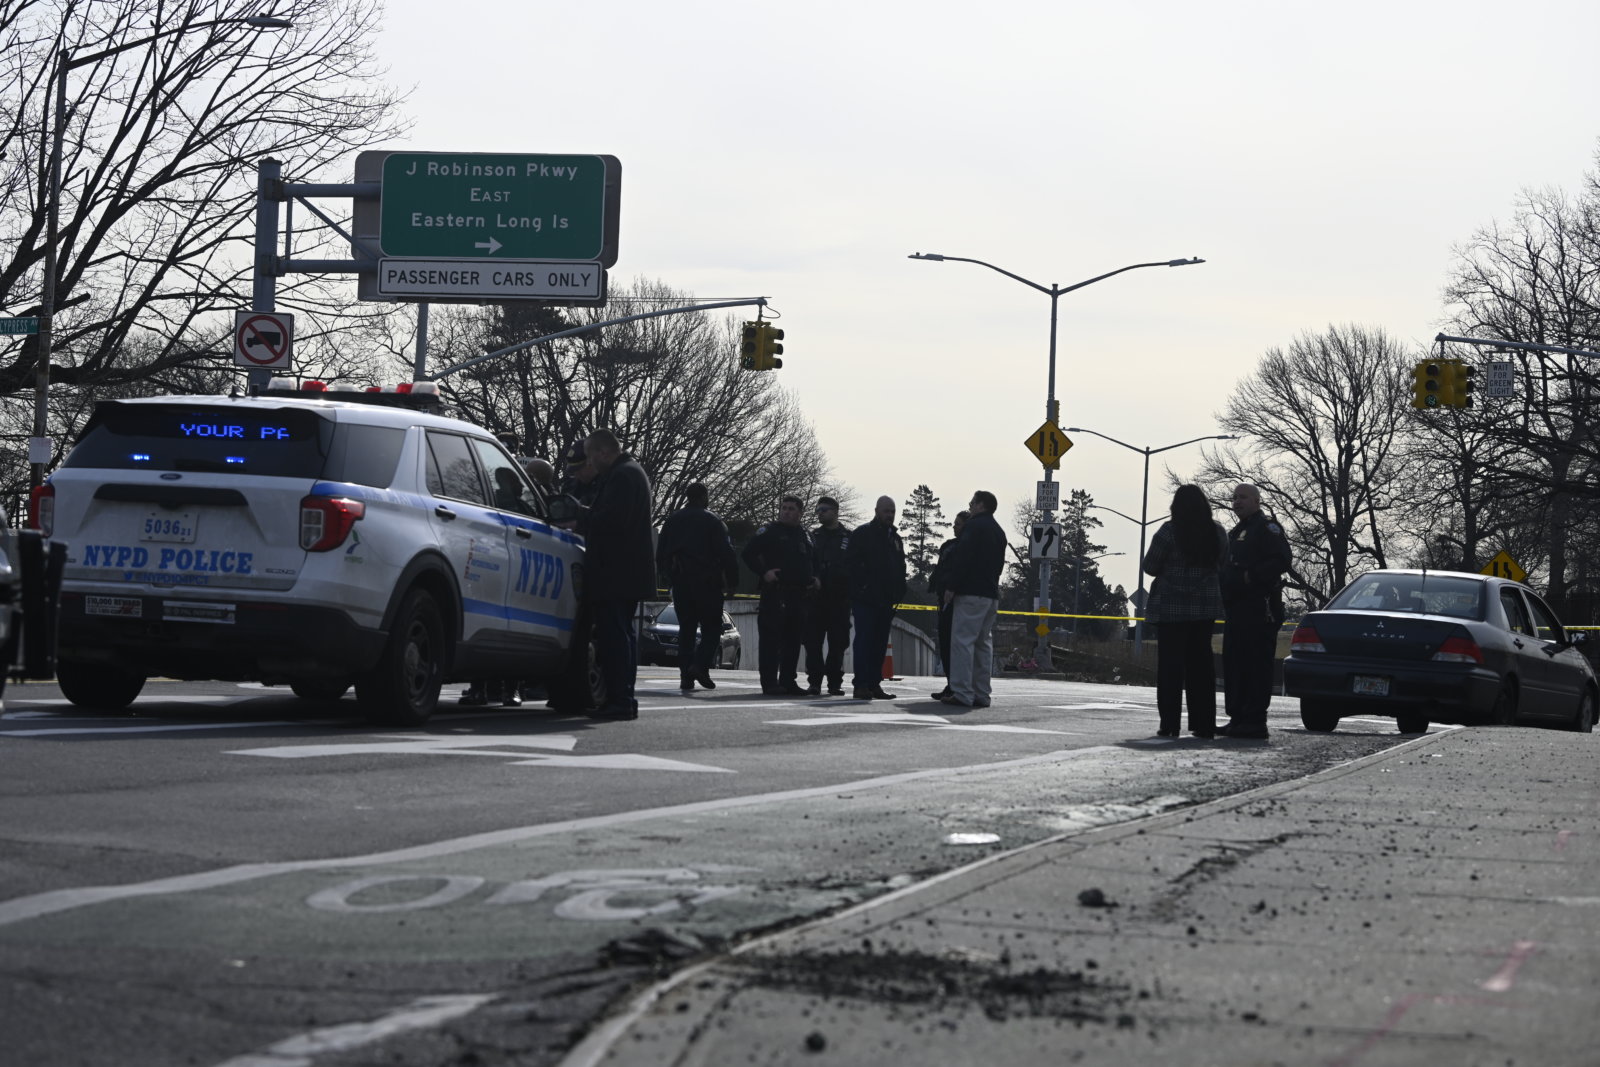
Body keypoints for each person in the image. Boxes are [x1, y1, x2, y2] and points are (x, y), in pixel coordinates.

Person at [575, 429, 656, 721]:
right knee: (621, 634)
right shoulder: (631, 472)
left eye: (590, 456)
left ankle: (620, 699)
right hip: (628, 571)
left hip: (615, 571)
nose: (590, 463)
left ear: (603, 453)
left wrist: (580, 516)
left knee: (614, 636)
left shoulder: (622, 477)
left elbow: (611, 521)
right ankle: (623, 698)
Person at [1142, 485, 1229, 739]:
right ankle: (1204, 724)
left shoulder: (1168, 532)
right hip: (1205, 610)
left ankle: (1169, 724)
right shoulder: (1217, 533)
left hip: (1171, 610)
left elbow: (1150, 566)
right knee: (1201, 667)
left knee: (1171, 668)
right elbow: (1223, 564)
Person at [1219, 483, 1292, 739]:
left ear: (1257, 501)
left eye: (1243, 497)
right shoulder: (1237, 531)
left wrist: (1252, 577)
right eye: (1234, 497)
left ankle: (1254, 720)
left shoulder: (1266, 528)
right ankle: (1237, 717)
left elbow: (1282, 559)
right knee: (1235, 663)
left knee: (1255, 665)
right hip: (1236, 608)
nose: (1237, 502)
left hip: (1259, 608)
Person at [656, 482, 739, 693]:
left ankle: (686, 676)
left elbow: (661, 553)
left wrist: (669, 577)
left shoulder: (672, 521)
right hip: (708, 583)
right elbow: (727, 554)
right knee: (711, 629)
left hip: (682, 583)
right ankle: (700, 666)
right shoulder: (713, 521)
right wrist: (732, 582)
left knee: (687, 630)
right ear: (704, 497)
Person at [742, 496, 816, 696]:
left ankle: (788, 681)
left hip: (799, 595)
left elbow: (812, 561)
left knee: (793, 641)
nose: (786, 512)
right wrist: (764, 572)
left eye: (791, 509)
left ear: (800, 513)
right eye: (784, 508)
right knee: (771, 640)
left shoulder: (806, 535)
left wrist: (814, 578)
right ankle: (769, 682)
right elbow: (748, 554)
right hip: (776, 593)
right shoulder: (770, 531)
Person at [940, 491, 1006, 709]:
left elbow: (963, 557)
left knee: (962, 642)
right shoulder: (999, 532)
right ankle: (982, 693)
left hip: (970, 593)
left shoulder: (974, 527)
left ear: (980, 505)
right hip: (990, 593)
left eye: (972, 503)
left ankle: (962, 692)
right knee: (983, 644)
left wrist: (952, 586)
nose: (969, 507)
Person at [846, 496, 905, 700]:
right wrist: (861, 588)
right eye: (886, 511)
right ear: (877, 510)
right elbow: (851, 565)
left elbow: (900, 567)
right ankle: (861, 685)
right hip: (866, 599)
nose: (889, 515)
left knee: (879, 643)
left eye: (892, 512)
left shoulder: (895, 539)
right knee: (864, 641)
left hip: (886, 599)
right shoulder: (863, 534)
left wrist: (899, 591)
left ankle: (874, 684)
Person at [803, 496, 852, 696]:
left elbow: (855, 566)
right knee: (812, 642)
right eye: (818, 510)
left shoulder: (849, 538)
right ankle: (814, 681)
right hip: (816, 598)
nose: (820, 513)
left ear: (835, 511)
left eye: (824, 510)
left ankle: (834, 682)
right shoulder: (813, 536)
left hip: (839, 599)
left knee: (837, 643)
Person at [928, 510, 969, 700]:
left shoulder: (966, 548)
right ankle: (950, 683)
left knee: (956, 646)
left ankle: (958, 685)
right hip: (942, 599)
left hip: (957, 601)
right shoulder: (949, 546)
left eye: (958, 524)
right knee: (944, 644)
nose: (954, 527)